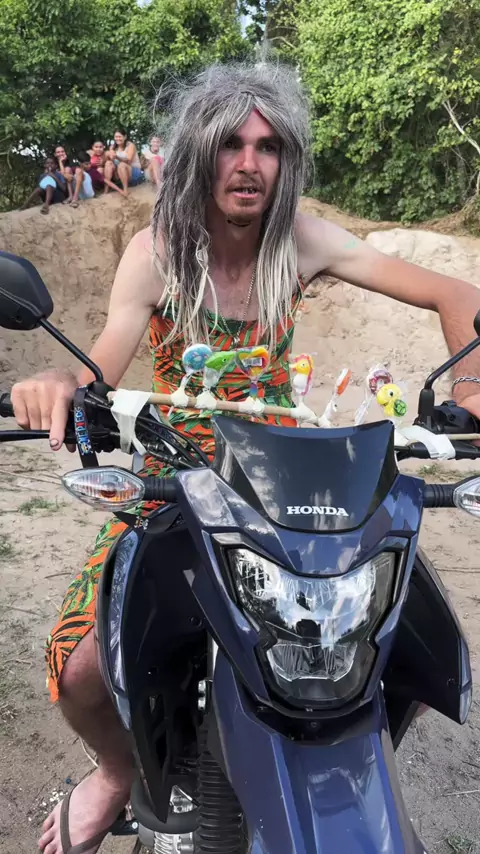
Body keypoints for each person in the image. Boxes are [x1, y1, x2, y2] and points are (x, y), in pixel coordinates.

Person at [11, 62, 480, 854]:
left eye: (269, 146)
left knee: (415, 642)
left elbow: (456, 295)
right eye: (231, 143)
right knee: (83, 669)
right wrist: (61, 381)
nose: (250, 163)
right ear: (201, 151)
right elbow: (98, 369)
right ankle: (117, 772)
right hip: (177, 475)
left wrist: (471, 386)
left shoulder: (301, 241)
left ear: (286, 160)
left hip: (286, 473)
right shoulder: (157, 252)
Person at [104, 129, 143, 197]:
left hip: (133, 173)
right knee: (108, 163)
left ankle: (125, 191)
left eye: (120, 136)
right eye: (116, 137)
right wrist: (108, 155)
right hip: (119, 174)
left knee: (121, 165)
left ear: (125, 137)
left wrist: (117, 157)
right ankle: (106, 190)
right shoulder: (112, 147)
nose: (118, 139)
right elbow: (111, 161)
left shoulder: (130, 145)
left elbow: (128, 161)